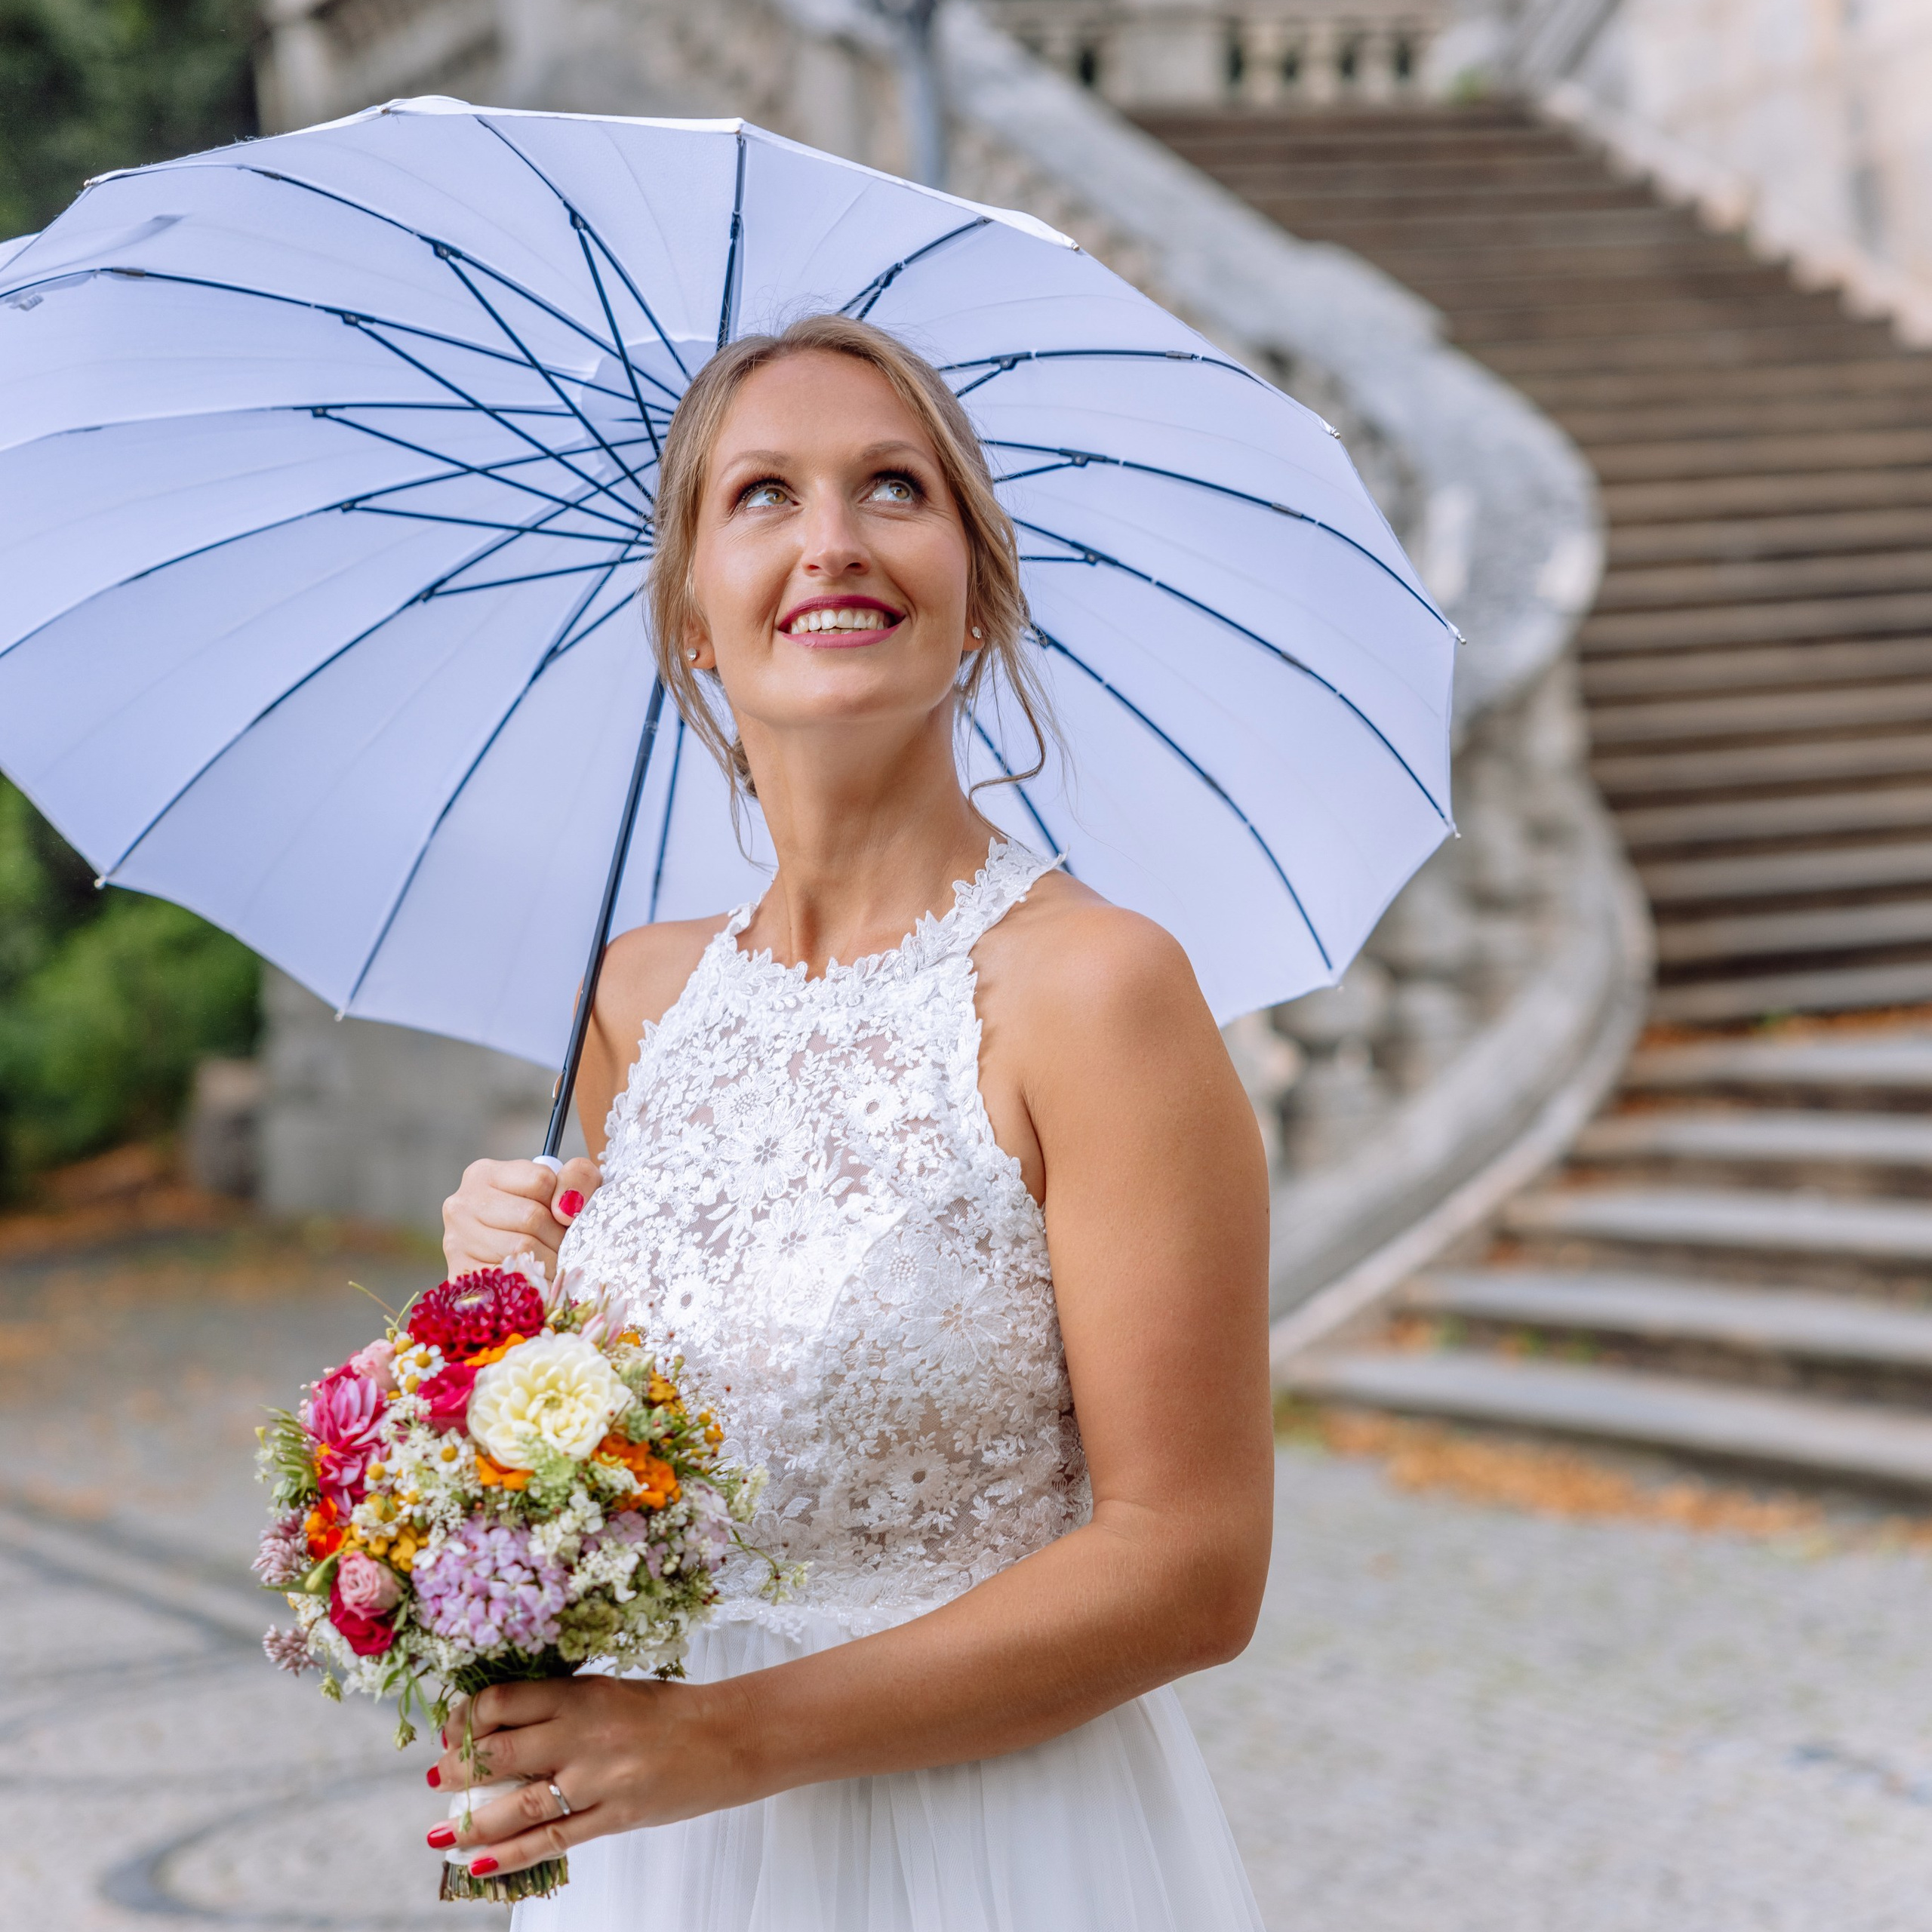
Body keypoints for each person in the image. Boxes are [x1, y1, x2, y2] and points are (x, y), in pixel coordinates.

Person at [433, 312, 1274, 1930]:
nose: (831, 539)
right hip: (662, 1862)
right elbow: (639, 1490)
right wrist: (493, 1319)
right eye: (762, 494)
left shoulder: (1096, 991)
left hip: (988, 1850)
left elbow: (1193, 1565)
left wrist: (726, 1739)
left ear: (978, 590)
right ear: (692, 611)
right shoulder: (635, 1000)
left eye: (893, 486)